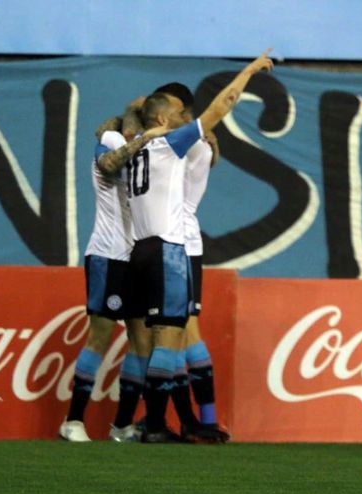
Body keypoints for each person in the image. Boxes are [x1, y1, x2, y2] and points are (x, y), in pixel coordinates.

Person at [123, 50, 274, 443]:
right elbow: (221, 107)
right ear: (163, 119)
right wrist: (250, 71)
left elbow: (136, 113)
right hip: (173, 247)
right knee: (173, 338)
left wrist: (149, 119)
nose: (182, 120)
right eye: (175, 114)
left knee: (161, 337)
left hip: (138, 248)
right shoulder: (176, 144)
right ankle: (163, 423)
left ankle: (173, 420)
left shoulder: (134, 147)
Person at [58, 113, 169, 442]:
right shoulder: (112, 141)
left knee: (142, 341)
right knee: (101, 337)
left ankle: (121, 426)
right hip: (109, 255)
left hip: (137, 257)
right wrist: (144, 137)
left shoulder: (145, 152)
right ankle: (73, 421)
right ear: (132, 126)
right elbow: (108, 164)